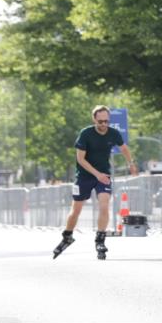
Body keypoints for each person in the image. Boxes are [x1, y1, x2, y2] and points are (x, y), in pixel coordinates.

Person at [52, 105, 139, 260]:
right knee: (76, 210)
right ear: (94, 119)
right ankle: (67, 236)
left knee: (104, 204)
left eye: (106, 121)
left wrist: (131, 163)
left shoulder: (113, 133)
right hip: (84, 176)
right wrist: (96, 174)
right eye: (100, 121)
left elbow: (124, 148)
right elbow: (80, 159)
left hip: (103, 175)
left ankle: (100, 240)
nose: (104, 124)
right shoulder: (86, 134)